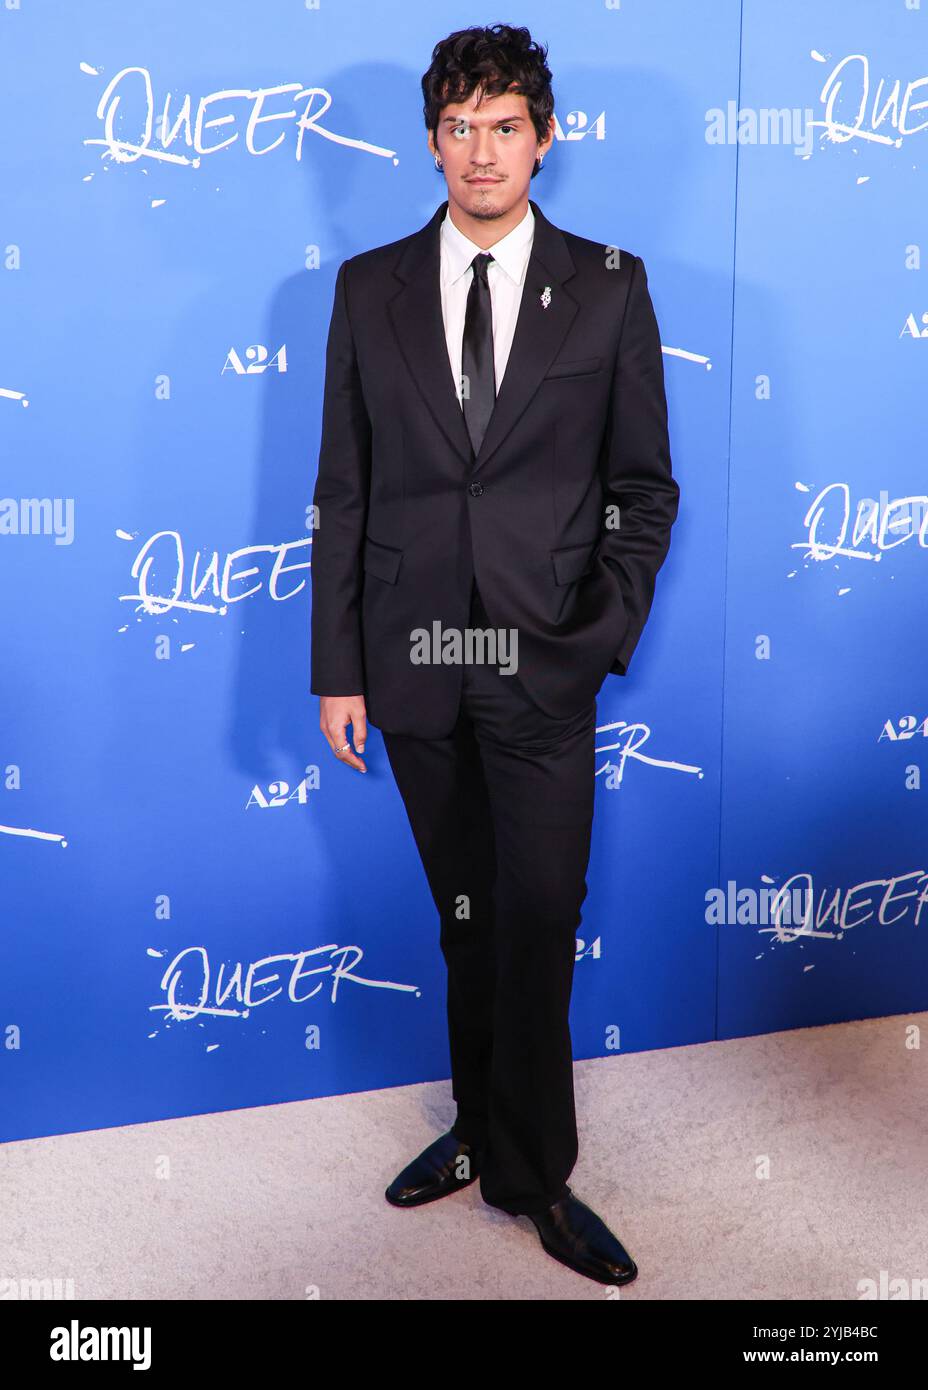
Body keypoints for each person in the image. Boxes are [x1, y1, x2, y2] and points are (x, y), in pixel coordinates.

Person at [310, 23, 679, 1286]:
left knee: (536, 913)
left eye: (504, 124)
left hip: (545, 666)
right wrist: (337, 668)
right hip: (412, 660)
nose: (481, 150)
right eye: (458, 127)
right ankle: (478, 1127)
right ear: (430, 142)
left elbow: (642, 490)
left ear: (545, 135)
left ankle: (541, 1175)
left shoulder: (612, 284)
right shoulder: (367, 288)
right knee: (466, 917)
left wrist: (598, 639)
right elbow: (342, 494)